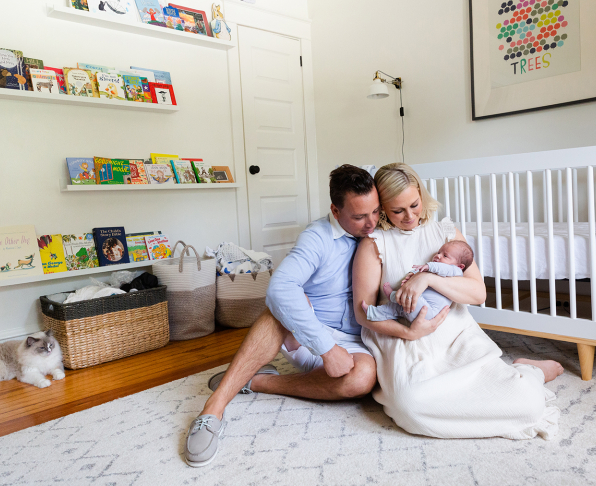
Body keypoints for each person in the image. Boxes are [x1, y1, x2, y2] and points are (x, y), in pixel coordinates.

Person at [184, 165, 447, 467]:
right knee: (278, 308)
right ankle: (212, 410)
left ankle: (257, 382)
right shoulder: (317, 237)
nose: (371, 223)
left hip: (358, 339)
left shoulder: (385, 228)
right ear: (335, 211)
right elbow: (280, 288)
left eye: (375, 212)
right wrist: (326, 348)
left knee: (363, 378)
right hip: (313, 337)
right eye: (359, 216)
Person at [352, 162, 564, 440]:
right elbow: (362, 313)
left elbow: (478, 293)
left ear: (422, 196)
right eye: (397, 210)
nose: (409, 216)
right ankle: (516, 375)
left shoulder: (446, 232)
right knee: (410, 407)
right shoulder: (374, 244)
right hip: (406, 342)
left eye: (415, 205)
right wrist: (408, 331)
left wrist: (428, 279)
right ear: (382, 208)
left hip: (455, 336)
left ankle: (530, 370)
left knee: (528, 403)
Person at [362, 240, 473, 323]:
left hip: (428, 311)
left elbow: (441, 268)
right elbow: (422, 275)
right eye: (439, 252)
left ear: (460, 266)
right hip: (416, 306)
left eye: (445, 255)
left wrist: (428, 266)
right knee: (395, 309)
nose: (438, 255)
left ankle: (393, 295)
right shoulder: (436, 270)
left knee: (411, 296)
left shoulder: (455, 271)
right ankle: (373, 313)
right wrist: (412, 276)